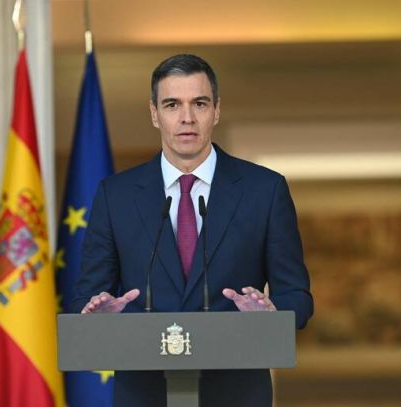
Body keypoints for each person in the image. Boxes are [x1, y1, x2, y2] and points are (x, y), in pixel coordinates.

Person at [71, 54, 313, 407]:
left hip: (237, 393)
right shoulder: (116, 195)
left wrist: (272, 316)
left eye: (199, 103)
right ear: (154, 113)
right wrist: (100, 314)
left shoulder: (265, 190)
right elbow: (86, 296)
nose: (187, 117)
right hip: (144, 394)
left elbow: (297, 296)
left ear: (216, 110)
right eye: (172, 105)